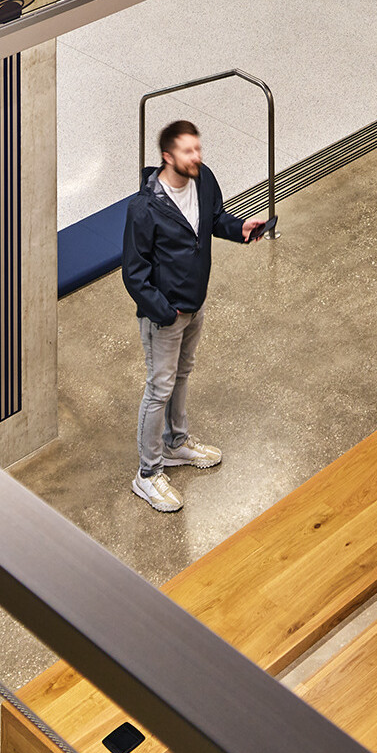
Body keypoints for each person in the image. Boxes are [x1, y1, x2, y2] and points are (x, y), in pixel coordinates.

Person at [118, 120, 270, 514]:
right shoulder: (145, 207)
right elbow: (134, 273)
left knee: (182, 375)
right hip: (165, 316)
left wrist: (240, 228)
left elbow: (215, 220)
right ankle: (148, 474)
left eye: (198, 149)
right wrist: (163, 313)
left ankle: (176, 443)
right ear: (167, 157)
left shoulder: (203, 181)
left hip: (195, 302)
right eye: (188, 152)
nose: (197, 157)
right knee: (159, 387)